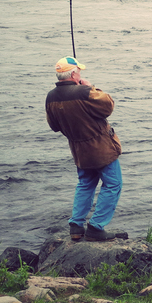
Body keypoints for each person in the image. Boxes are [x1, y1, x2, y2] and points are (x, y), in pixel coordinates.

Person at [45, 56, 125, 242]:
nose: (80, 74)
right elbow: (108, 105)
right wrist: (90, 87)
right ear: (73, 74)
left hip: (79, 150)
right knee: (113, 184)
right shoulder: (85, 92)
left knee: (85, 184)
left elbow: (54, 126)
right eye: (79, 71)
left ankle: (76, 226)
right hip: (101, 149)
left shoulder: (50, 97)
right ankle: (96, 227)